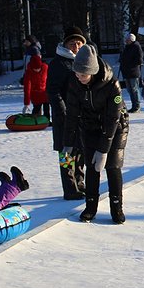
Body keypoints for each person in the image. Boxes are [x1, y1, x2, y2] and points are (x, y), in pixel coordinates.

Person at [63, 44, 129, 224]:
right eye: (77, 74)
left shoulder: (112, 84)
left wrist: (104, 150)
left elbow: (112, 118)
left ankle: (117, 208)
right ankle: (90, 207)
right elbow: (72, 114)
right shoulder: (74, 82)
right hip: (90, 126)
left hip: (115, 127)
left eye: (83, 75)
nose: (79, 77)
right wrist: (68, 143)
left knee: (112, 166)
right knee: (92, 166)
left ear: (92, 72)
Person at [47, 26, 87, 200]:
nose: (76, 47)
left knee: (80, 151)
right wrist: (62, 111)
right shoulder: (59, 63)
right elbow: (53, 90)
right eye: (72, 43)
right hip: (64, 117)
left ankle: (80, 182)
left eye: (79, 43)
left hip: (81, 115)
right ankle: (70, 188)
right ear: (65, 45)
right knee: (66, 153)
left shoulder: (83, 60)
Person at [119, 33, 143, 113]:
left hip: (133, 72)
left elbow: (139, 60)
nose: (126, 41)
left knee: (134, 89)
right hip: (127, 72)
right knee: (129, 90)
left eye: (128, 39)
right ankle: (134, 105)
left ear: (131, 40)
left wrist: (130, 64)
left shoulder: (136, 47)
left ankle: (137, 106)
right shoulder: (127, 47)